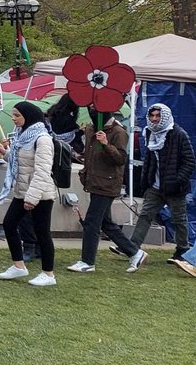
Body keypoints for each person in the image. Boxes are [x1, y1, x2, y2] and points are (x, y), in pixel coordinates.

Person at [69, 106, 142, 273]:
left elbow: (120, 159)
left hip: (107, 183)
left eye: (96, 107)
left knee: (92, 222)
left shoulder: (118, 132)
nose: (93, 110)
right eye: (90, 107)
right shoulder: (90, 128)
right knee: (105, 222)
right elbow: (91, 154)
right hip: (94, 181)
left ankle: (87, 261)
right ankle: (134, 252)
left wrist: (106, 144)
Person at [0, 101, 57, 286]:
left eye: (17, 115)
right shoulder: (23, 136)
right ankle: (19, 265)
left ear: (28, 116)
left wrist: (32, 198)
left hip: (40, 194)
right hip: (23, 191)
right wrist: (6, 153)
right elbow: (23, 161)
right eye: (13, 115)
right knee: (9, 224)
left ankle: (48, 274)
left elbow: (42, 171)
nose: (13, 119)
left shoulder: (42, 138)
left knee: (42, 233)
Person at [130, 103, 193, 265]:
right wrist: (146, 181)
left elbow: (189, 161)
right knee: (145, 215)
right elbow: (150, 160)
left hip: (175, 188)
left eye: (158, 116)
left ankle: (182, 250)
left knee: (179, 219)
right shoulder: (150, 132)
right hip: (155, 187)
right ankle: (132, 247)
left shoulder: (179, 134)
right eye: (152, 116)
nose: (154, 119)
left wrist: (177, 180)